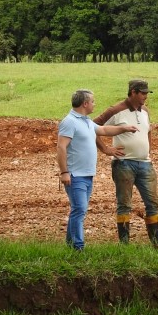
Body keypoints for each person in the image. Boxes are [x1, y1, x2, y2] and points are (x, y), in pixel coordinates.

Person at [93, 79, 158, 249]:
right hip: (123, 164)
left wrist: (148, 151)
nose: (145, 97)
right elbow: (91, 127)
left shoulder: (145, 111)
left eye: (146, 93)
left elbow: (147, 131)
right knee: (124, 204)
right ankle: (125, 245)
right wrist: (106, 149)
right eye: (143, 93)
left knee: (153, 203)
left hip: (145, 164)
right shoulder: (116, 110)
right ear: (133, 92)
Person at [56, 89, 137, 251]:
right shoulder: (69, 122)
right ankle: (78, 247)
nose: (94, 104)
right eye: (92, 101)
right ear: (85, 104)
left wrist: (125, 128)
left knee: (78, 210)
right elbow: (61, 147)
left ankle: (71, 245)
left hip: (86, 175)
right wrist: (64, 172)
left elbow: (104, 130)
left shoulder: (86, 121)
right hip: (75, 175)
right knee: (79, 210)